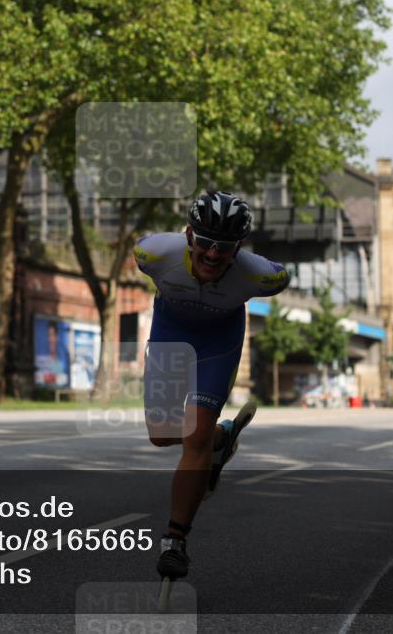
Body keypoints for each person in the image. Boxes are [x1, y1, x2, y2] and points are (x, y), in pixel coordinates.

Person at [134, 191, 290, 579]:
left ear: (240, 246)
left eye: (225, 246)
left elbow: (282, 274)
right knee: (161, 435)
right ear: (189, 235)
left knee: (195, 433)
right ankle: (220, 439)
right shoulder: (155, 254)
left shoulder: (261, 276)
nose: (213, 254)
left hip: (219, 342)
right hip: (172, 333)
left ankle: (175, 541)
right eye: (205, 242)